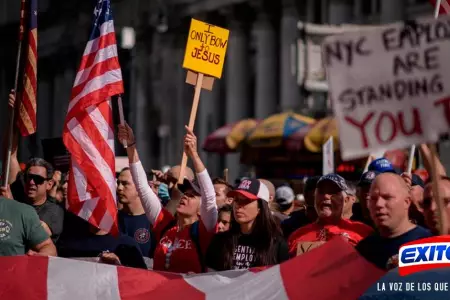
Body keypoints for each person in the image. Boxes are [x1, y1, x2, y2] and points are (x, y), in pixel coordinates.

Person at [118, 123, 217, 274]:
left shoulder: (203, 230)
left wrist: (194, 154)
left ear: (201, 209)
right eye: (185, 193)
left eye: (192, 195)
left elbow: (209, 196)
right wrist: (131, 146)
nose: (185, 197)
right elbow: (142, 187)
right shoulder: (165, 225)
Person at [206, 178, 289, 271]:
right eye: (236, 200)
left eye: (246, 200)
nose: (238, 206)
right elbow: (210, 278)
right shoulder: (220, 241)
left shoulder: (276, 245)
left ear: (260, 207)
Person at [356, 173, 432, 270]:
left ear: (407, 202)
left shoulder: (430, 245)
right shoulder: (363, 250)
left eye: (387, 197)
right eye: (373, 198)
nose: (379, 204)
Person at [288, 174, 373, 257]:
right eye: (321, 192)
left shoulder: (363, 232)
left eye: (333, 192)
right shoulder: (297, 236)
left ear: (346, 201)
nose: (326, 196)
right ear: (314, 199)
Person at [10, 158, 64, 243]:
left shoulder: (55, 210)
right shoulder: (18, 201)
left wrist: (9, 204)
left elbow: (36, 232)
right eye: (29, 177)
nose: (31, 182)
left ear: (49, 185)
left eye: (38, 179)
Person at [117, 167, 154, 258]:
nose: (119, 188)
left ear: (140, 188)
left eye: (125, 184)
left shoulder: (153, 220)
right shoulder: (112, 219)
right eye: (118, 183)